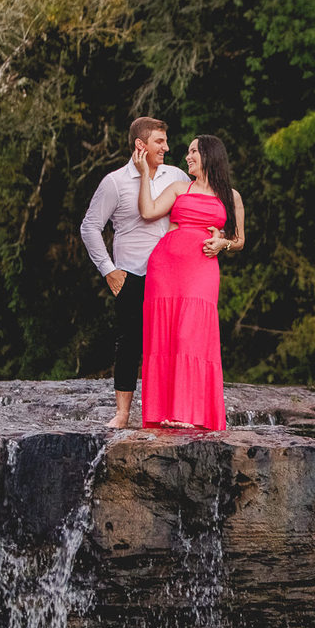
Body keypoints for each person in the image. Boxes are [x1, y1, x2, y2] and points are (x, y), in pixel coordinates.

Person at [81, 117, 190, 428]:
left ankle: (172, 412)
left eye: (165, 141)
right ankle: (122, 414)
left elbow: (196, 210)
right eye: (159, 142)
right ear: (141, 145)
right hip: (133, 274)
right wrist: (109, 270)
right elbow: (90, 227)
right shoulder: (114, 182)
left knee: (173, 344)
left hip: (173, 276)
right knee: (130, 343)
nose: (166, 147)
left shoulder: (177, 176)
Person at [133, 134, 245, 430]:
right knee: (165, 335)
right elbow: (148, 211)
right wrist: (144, 174)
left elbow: (239, 240)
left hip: (202, 268)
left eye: (193, 151)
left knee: (190, 334)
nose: (187, 157)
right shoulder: (180, 188)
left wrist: (222, 244)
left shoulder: (231, 196)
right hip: (165, 267)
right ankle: (163, 412)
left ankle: (191, 413)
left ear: (209, 155)